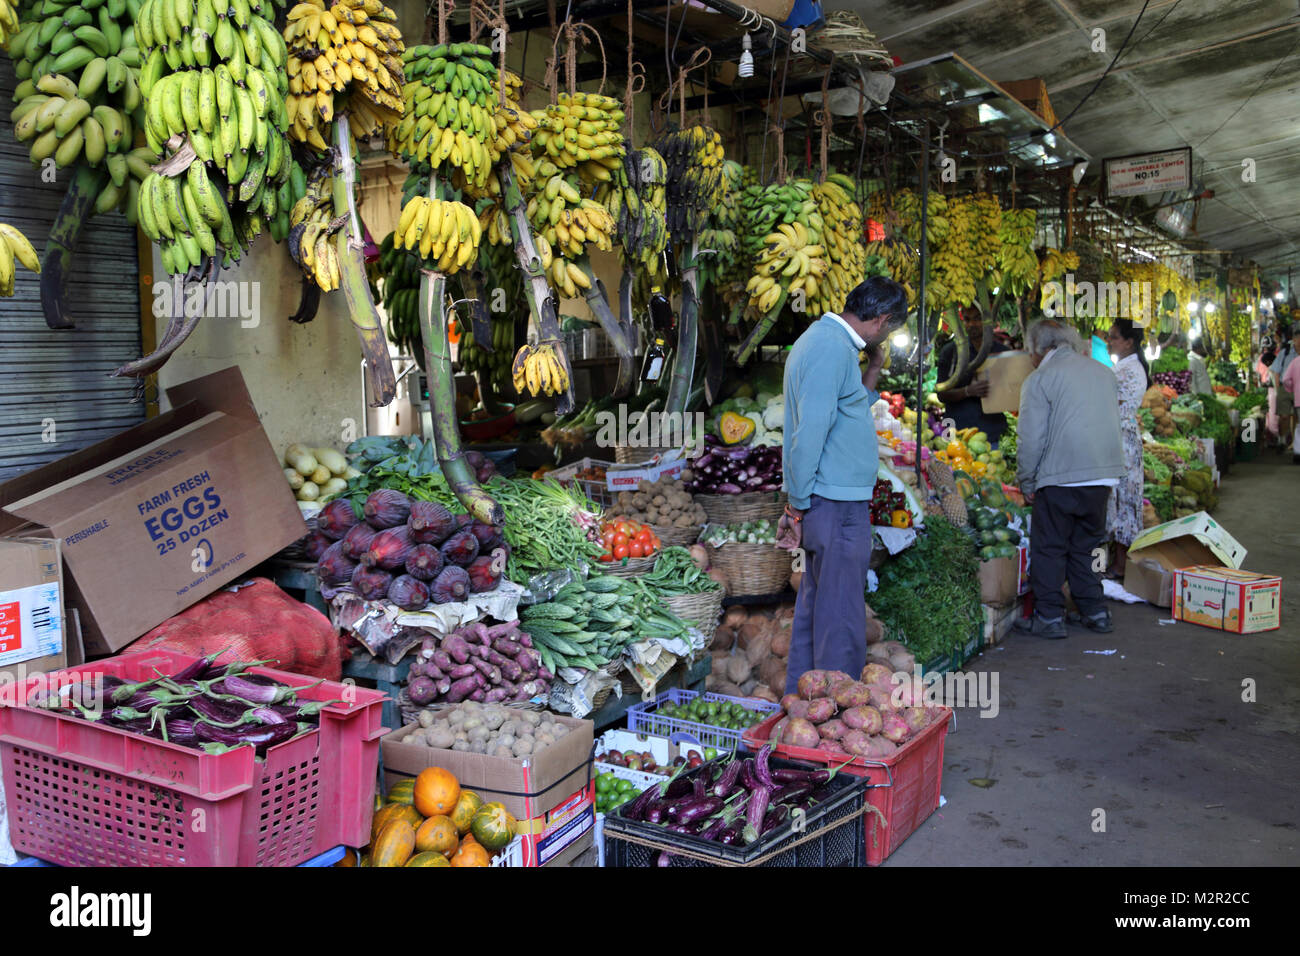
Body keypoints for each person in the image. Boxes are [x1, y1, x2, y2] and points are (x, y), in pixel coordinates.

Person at [776, 277, 909, 691]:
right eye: (891, 327)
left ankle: (804, 699)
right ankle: (834, 706)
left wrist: (873, 369)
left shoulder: (831, 345)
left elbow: (845, 410)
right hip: (833, 504)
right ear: (883, 320)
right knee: (841, 614)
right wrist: (796, 506)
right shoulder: (829, 348)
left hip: (831, 501)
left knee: (819, 606)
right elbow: (809, 434)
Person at [1013, 320, 1125, 639]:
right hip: (1103, 475)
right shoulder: (1103, 372)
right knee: (1087, 547)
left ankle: (1048, 617)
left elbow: (1030, 439)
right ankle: (1095, 611)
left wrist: (1028, 481)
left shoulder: (1040, 378)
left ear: (1038, 348)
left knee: (1050, 548)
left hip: (1061, 476)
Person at [1105, 320, 1150, 576]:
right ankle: (1118, 564)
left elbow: (1111, 400)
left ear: (1129, 342)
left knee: (1123, 500)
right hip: (1120, 437)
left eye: (1114, 337)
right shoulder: (1124, 366)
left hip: (1122, 440)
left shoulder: (1129, 369)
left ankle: (1121, 565)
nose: (1110, 341)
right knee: (1121, 498)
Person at [935, 308, 1011, 443]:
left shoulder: (1002, 353)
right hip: (956, 433)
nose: (971, 324)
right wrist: (968, 391)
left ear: (988, 321)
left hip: (992, 432)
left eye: (977, 318)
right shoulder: (951, 352)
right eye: (967, 319)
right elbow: (941, 395)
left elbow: (1013, 393)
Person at [1269, 326, 1296, 454]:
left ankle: (1296, 445)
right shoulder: (1285, 352)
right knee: (1284, 416)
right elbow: (1276, 371)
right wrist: (1277, 389)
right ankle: (1282, 440)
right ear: (1294, 339)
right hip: (1285, 388)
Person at [1281, 327, 1300, 462]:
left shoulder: (1296, 362)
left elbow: (1285, 380)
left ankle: (1298, 452)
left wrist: (1291, 389)